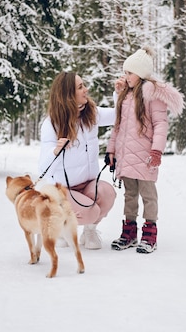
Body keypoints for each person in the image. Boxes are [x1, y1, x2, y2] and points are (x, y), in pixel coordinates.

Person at [106, 47, 184, 254]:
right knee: (129, 195)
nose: (125, 76)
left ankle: (150, 233)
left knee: (148, 195)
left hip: (146, 156)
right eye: (125, 72)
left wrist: (157, 151)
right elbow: (118, 126)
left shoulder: (153, 96)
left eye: (129, 72)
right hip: (126, 156)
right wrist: (111, 151)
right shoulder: (125, 96)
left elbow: (160, 124)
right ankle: (129, 232)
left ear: (139, 74)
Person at [38, 72, 120, 250]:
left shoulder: (91, 114)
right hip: (62, 189)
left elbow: (117, 115)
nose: (86, 90)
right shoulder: (52, 124)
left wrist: (119, 94)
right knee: (91, 211)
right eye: (80, 87)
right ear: (68, 93)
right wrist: (55, 151)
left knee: (107, 193)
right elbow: (43, 168)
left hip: (88, 183)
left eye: (84, 85)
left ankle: (90, 231)